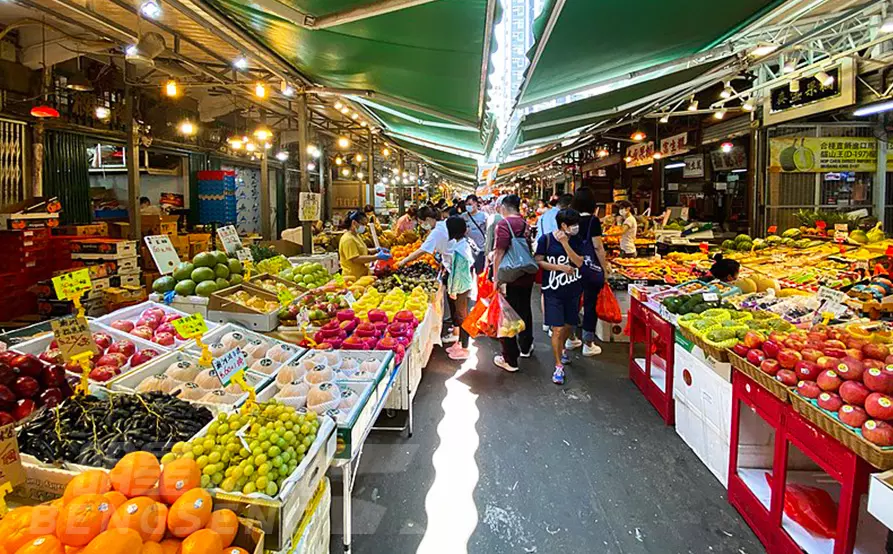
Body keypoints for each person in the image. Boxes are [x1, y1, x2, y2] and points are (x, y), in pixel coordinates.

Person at [535, 209, 585, 385]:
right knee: (556, 328)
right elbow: (539, 261)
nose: (576, 228)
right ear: (563, 225)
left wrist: (565, 244)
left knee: (568, 325)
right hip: (552, 290)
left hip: (573, 290)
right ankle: (558, 366)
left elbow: (579, 262)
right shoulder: (546, 239)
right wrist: (560, 268)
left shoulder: (577, 241)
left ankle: (562, 348)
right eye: (573, 225)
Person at [492, 194, 535, 372]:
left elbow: (499, 253)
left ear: (504, 206)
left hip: (509, 276)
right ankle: (526, 346)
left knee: (507, 315)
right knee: (525, 309)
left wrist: (496, 278)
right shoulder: (525, 223)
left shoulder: (504, 224)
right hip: (526, 273)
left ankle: (510, 359)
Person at [571, 187, 611, 357]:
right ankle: (588, 343)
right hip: (589, 268)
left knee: (572, 302)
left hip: (572, 266)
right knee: (589, 304)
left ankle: (571, 338)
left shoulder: (570, 219)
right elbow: (598, 247)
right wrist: (604, 268)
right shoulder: (593, 221)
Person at [445, 216, 477, 360]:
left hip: (461, 287)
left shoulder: (459, 250)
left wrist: (453, 291)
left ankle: (465, 349)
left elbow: (457, 273)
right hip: (465, 285)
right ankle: (460, 343)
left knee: (462, 317)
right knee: (460, 315)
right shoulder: (463, 244)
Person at [338, 211, 390, 279]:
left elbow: (362, 250)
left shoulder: (356, 236)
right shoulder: (348, 239)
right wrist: (376, 257)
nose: (364, 227)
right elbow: (355, 259)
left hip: (362, 275)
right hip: (352, 277)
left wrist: (376, 250)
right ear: (354, 223)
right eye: (362, 224)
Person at [462, 194, 487, 273]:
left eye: (470, 204)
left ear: (476, 203)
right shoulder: (463, 217)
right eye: (466, 205)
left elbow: (488, 231)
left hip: (481, 249)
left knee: (479, 272)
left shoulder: (484, 216)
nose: (468, 206)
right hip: (467, 250)